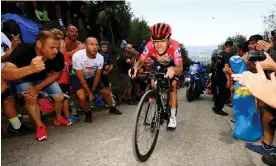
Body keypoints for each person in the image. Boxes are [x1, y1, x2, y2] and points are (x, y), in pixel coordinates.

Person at [2, 30, 71, 141]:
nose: (56, 51)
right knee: (30, 95)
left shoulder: (58, 56)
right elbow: (5, 73)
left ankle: (58, 118)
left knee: (60, 97)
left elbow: (56, 74)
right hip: (22, 79)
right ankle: (40, 125)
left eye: (57, 47)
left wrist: (38, 87)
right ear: (39, 44)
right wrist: (30, 69)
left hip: (41, 79)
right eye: (52, 47)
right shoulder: (23, 49)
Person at [131, 23, 183, 129]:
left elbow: (180, 68)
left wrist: (173, 69)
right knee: (153, 83)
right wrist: (135, 67)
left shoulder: (175, 46)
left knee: (172, 85)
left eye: (162, 41)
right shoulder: (149, 46)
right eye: (155, 41)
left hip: (172, 65)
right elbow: (140, 61)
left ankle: (172, 117)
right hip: (159, 64)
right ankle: (160, 99)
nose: (158, 45)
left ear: (169, 39)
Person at [71, 37, 122, 123]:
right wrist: (89, 93)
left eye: (96, 44)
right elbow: (81, 79)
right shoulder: (77, 56)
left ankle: (112, 108)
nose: (94, 47)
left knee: (106, 92)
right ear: (85, 46)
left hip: (92, 76)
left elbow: (98, 76)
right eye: (91, 44)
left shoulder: (100, 58)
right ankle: (87, 113)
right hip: (77, 77)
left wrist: (93, 90)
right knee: (82, 96)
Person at [1, 30, 32, 138]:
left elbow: (11, 53)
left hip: (8, 72)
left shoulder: (2, 34)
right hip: (2, 75)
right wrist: (13, 47)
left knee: (9, 100)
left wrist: (16, 47)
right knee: (7, 100)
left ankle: (16, 127)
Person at [49, 28, 80, 123]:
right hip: (59, 80)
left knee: (66, 98)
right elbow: (58, 63)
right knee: (64, 98)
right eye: (58, 39)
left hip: (66, 79)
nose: (61, 41)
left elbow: (68, 62)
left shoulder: (64, 51)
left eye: (62, 39)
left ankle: (64, 116)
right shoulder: (53, 53)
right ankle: (65, 116)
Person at [212, 41, 233, 116]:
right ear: (231, 47)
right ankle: (219, 109)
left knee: (220, 92)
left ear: (225, 46)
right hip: (223, 76)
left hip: (217, 75)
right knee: (226, 94)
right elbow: (226, 68)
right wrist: (229, 80)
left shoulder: (220, 54)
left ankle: (215, 107)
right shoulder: (227, 55)